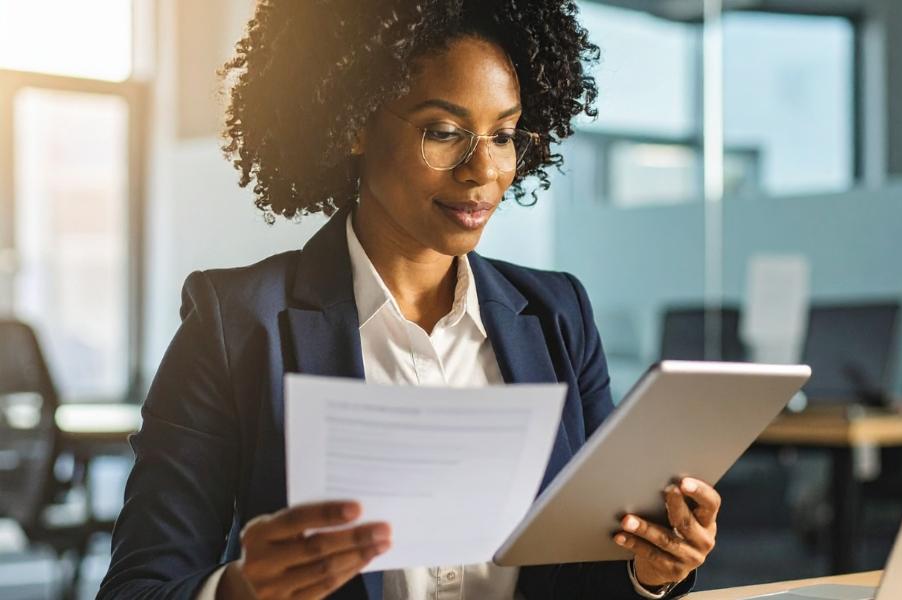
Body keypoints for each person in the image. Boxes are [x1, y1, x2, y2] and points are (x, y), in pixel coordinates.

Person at [98, 1, 721, 599]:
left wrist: (649, 567)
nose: (483, 170)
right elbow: (137, 586)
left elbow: (581, 576)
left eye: (503, 135)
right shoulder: (235, 323)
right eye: (444, 131)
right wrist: (240, 591)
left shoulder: (558, 315)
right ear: (353, 125)